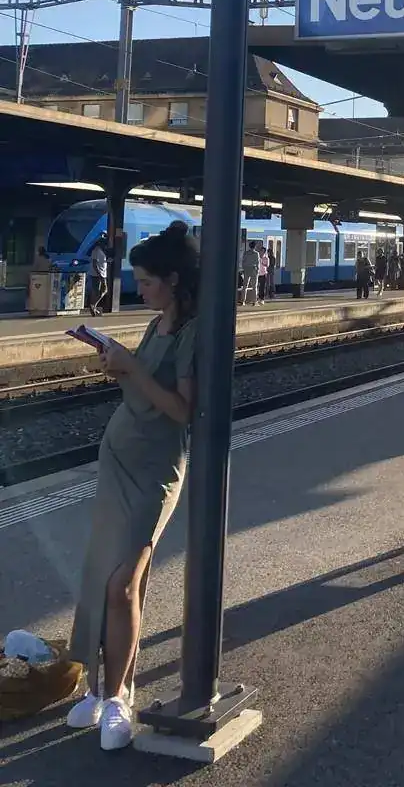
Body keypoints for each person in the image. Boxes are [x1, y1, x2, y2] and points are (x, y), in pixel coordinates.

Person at [66, 222, 198, 751]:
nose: (138, 290)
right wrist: (118, 367)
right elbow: (143, 386)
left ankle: (120, 696)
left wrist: (132, 369)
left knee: (123, 583)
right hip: (118, 456)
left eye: (146, 282)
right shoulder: (155, 322)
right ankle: (99, 689)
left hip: (156, 469)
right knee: (103, 574)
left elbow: (182, 410)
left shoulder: (191, 333)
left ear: (173, 280)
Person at [88, 237, 109, 316]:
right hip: (98, 274)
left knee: (99, 291)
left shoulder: (100, 250)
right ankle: (93, 305)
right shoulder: (96, 251)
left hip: (101, 274)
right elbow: (94, 264)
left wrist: (107, 261)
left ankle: (94, 307)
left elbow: (100, 262)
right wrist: (99, 274)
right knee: (102, 290)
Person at [240, 241, 260, 306]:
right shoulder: (256, 253)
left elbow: (243, 262)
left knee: (245, 286)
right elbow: (258, 263)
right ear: (255, 246)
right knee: (254, 287)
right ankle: (254, 301)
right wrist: (258, 271)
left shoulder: (246, 253)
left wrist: (244, 269)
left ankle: (243, 301)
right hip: (253, 270)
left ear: (249, 246)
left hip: (246, 270)